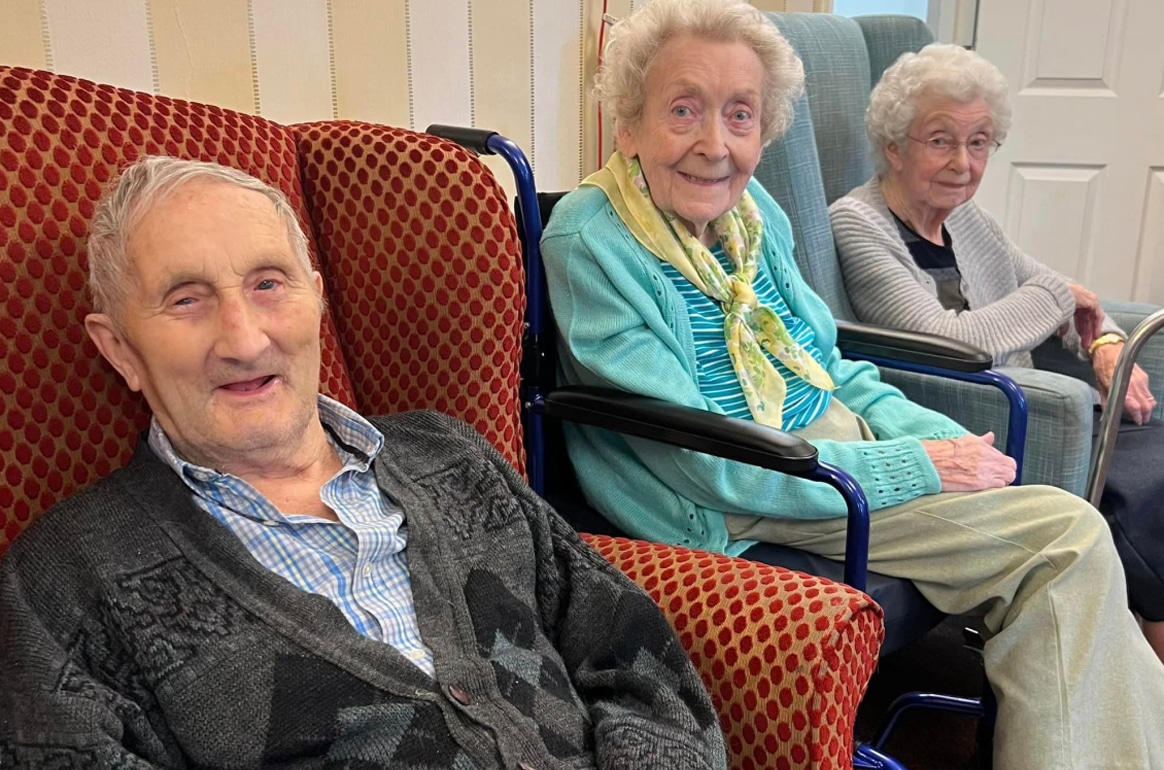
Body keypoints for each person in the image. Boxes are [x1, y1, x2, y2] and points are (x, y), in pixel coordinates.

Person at [541, 0, 1164, 767]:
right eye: (683, 110)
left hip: (827, 453)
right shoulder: (591, 239)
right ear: (628, 124)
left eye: (740, 115)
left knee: (1063, 551)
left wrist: (937, 439)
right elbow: (702, 462)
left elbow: (829, 369)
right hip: (745, 488)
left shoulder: (752, 215)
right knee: (1065, 540)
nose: (715, 145)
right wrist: (916, 466)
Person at [0, 156, 728, 770]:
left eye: (268, 283)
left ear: (316, 299)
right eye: (187, 300)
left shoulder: (450, 455)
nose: (245, 340)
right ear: (120, 349)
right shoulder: (64, 581)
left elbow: (635, 657)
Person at [827, 42, 1164, 664]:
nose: (963, 163)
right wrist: (1057, 295)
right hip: (987, 424)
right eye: (941, 141)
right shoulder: (856, 222)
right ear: (894, 146)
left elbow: (1061, 296)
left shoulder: (966, 219)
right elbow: (950, 339)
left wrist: (1107, 340)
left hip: (1052, 414)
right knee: (1146, 491)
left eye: (979, 142)